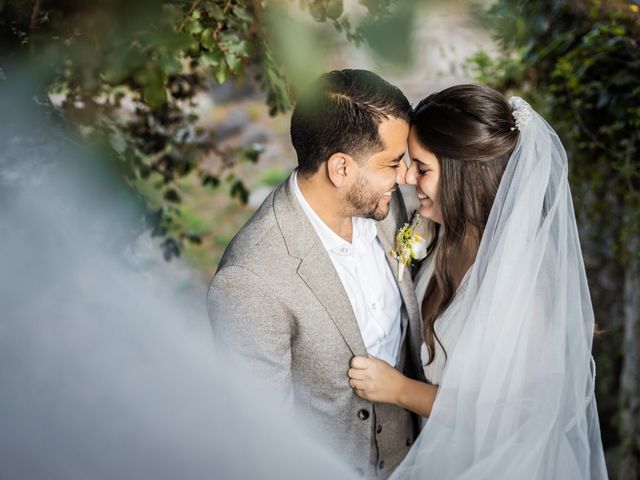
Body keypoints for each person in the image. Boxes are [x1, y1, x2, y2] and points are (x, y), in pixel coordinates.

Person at [347, 84, 608, 478]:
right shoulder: (442, 236)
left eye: (423, 168)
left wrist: (399, 390)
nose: (407, 179)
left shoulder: (525, 289)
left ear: (470, 172)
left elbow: (518, 416)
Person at [207, 69, 425, 478]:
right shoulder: (251, 280)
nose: (405, 176)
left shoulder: (383, 207)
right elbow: (266, 440)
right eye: (393, 163)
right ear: (341, 168)